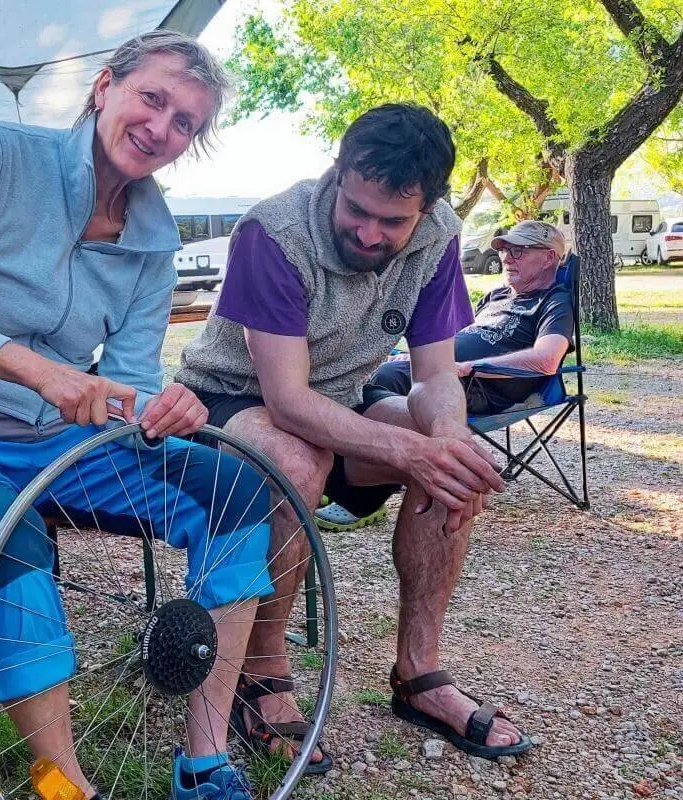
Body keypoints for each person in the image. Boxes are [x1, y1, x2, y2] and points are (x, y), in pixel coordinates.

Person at [0, 31, 271, 800]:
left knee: (236, 489)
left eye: (186, 122)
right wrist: (40, 371)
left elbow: (120, 384)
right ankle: (64, 783)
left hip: (64, 445)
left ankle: (206, 759)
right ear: (103, 88)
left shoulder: (155, 236)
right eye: (152, 99)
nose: (162, 128)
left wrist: (159, 408)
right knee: (8, 534)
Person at [176, 103, 532, 765]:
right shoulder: (275, 231)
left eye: (391, 221)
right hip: (228, 401)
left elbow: (433, 375)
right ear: (336, 175)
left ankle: (418, 673)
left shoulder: (437, 239)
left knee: (447, 458)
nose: (368, 233)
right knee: (297, 460)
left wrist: (446, 439)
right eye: (356, 209)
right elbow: (285, 399)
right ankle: (261, 673)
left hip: (340, 402)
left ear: (427, 210)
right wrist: (411, 448)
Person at [318, 220, 574, 531]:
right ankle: (336, 471)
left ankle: (360, 496)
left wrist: (471, 368)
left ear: (548, 258)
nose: (507, 258)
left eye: (518, 251)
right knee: (361, 372)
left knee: (380, 382)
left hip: (480, 386)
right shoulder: (496, 296)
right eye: (505, 249)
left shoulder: (554, 302)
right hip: (444, 371)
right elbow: (452, 337)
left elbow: (546, 360)